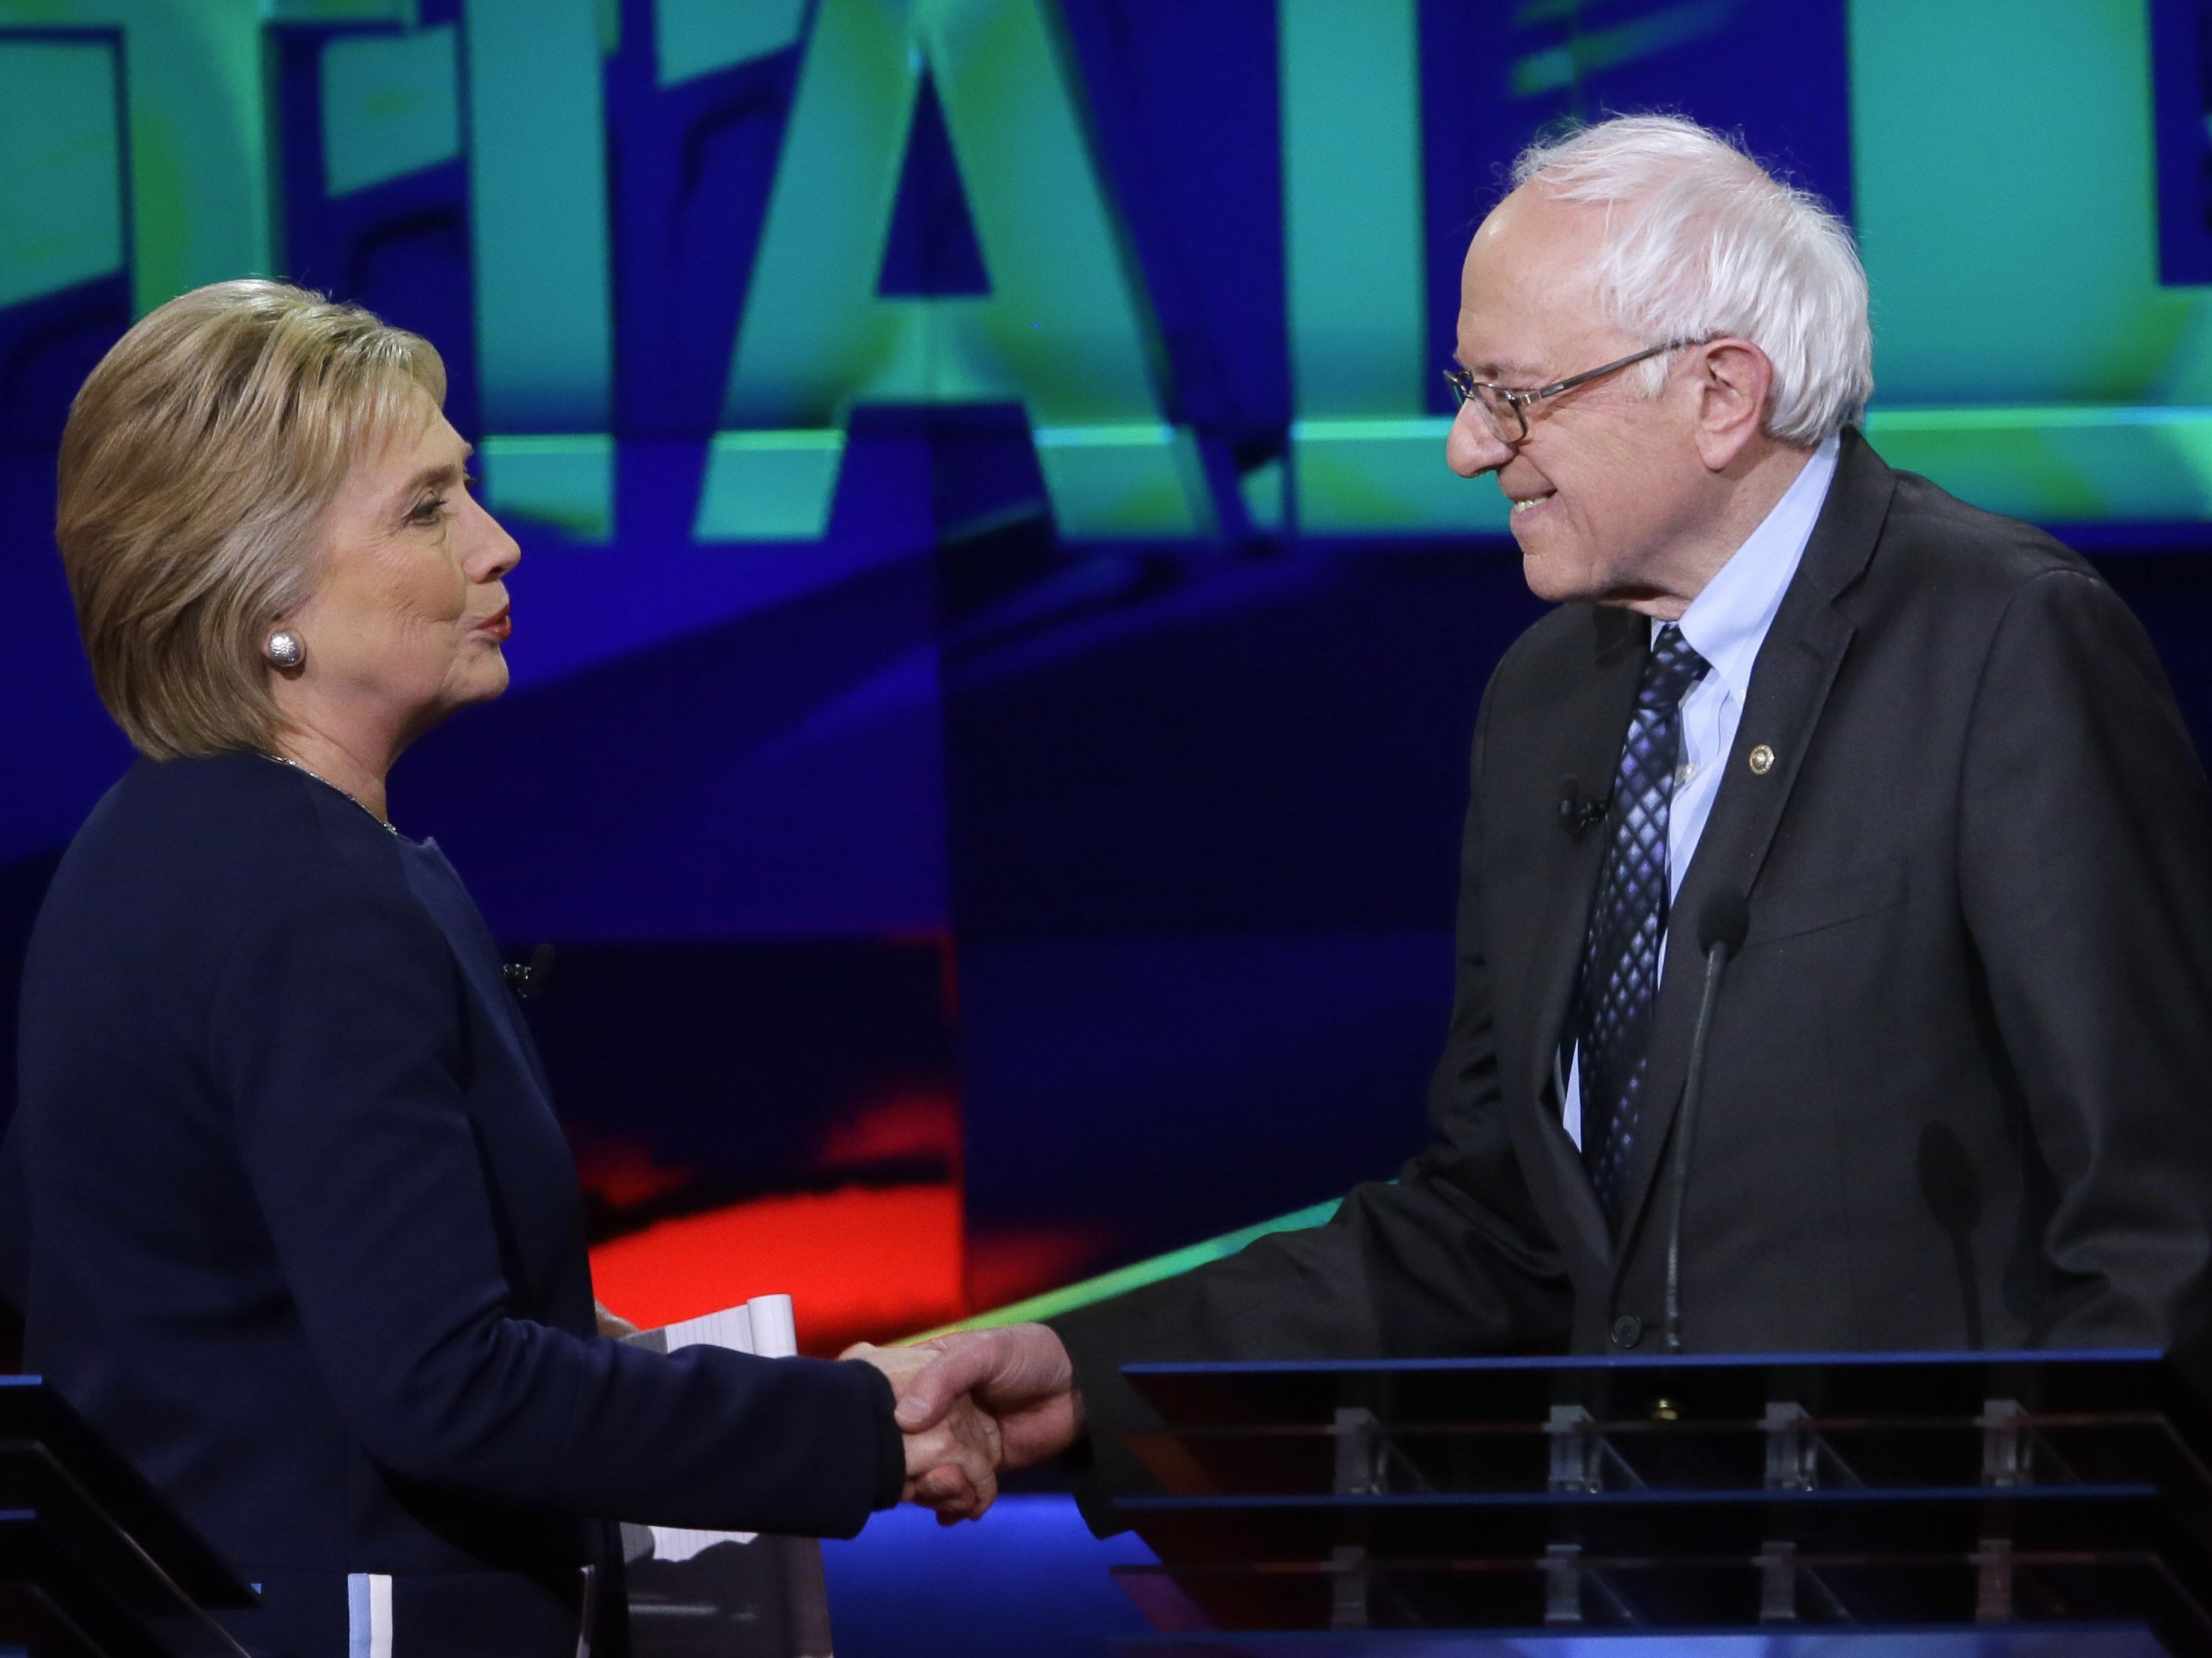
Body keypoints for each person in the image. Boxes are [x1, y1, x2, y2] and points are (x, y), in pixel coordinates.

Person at [883, 114, 2212, 1525]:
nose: (1467, 447)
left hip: (1943, 1583)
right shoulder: (1548, 700)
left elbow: (2162, 1225)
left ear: (1720, 393)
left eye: (1514, 395)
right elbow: (1498, 1226)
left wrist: (2053, 1565)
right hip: (1642, 1578)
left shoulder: (2005, 644)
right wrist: (1089, 1376)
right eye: (1472, 391)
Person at [0, 280, 994, 1654]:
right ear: (252, 583)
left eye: (466, 489)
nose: (500, 543)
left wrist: (767, 1397)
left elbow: (302, 1299)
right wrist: (858, 1429)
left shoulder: (161, 846)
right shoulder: (305, 894)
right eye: (425, 509)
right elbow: (446, 1388)